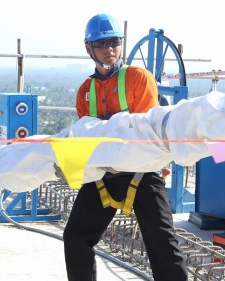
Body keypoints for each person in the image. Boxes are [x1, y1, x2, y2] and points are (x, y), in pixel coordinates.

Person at [62, 14, 188, 281]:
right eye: (102, 44)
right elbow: (86, 136)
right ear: (89, 48)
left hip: (142, 173)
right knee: (75, 236)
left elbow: (144, 129)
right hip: (105, 174)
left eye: (115, 42)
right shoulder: (86, 90)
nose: (110, 49)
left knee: (163, 244)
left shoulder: (138, 78)